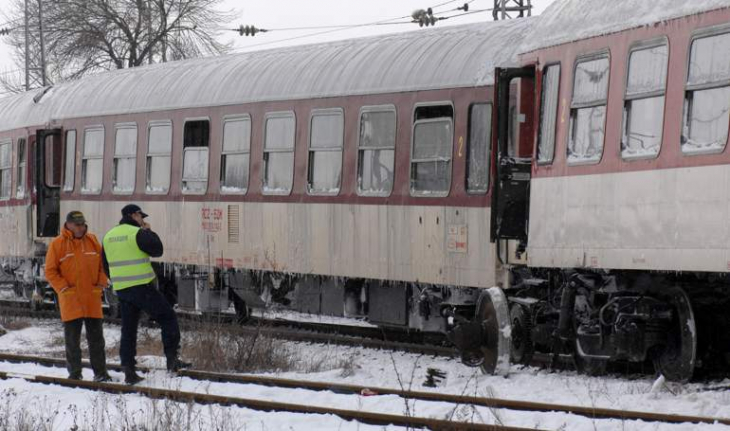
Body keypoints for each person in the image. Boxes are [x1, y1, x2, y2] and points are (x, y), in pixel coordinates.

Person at [102, 204, 191, 385]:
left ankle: (129, 370)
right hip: (141, 287)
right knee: (167, 317)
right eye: (141, 216)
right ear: (134, 215)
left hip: (123, 289)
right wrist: (149, 231)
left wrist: (119, 280)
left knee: (129, 329)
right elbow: (158, 250)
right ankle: (172, 361)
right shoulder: (137, 233)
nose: (143, 220)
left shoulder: (108, 236)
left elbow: (105, 265)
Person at [45, 211, 112, 382]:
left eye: (82, 224)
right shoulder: (57, 244)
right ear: (68, 225)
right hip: (71, 299)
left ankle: (101, 373)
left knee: (97, 340)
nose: (81, 227)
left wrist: (101, 282)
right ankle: (75, 374)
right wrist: (63, 288)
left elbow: (103, 265)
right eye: (77, 225)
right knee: (72, 341)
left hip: (91, 298)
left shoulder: (93, 240)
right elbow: (50, 271)